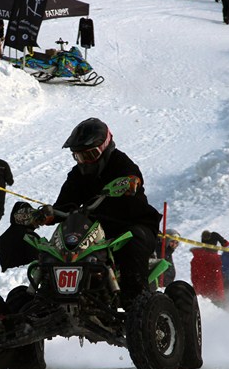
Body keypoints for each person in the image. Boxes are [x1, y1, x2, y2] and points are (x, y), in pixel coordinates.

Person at [30, 118, 162, 307]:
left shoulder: (122, 164)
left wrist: (131, 182)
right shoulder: (77, 174)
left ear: (105, 148)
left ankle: (136, 302)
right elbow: (64, 204)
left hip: (130, 225)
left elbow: (133, 178)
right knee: (55, 249)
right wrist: (47, 215)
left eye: (90, 155)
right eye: (78, 156)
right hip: (93, 231)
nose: (84, 162)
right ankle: (39, 300)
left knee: (132, 244)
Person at [190, 231, 229, 305]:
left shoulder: (196, 258)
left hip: (200, 298)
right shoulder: (219, 260)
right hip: (217, 297)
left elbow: (194, 278)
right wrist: (223, 241)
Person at [0, 201, 39, 272]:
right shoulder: (29, 236)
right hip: (27, 275)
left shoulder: (3, 237)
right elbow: (38, 261)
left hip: (9, 276)